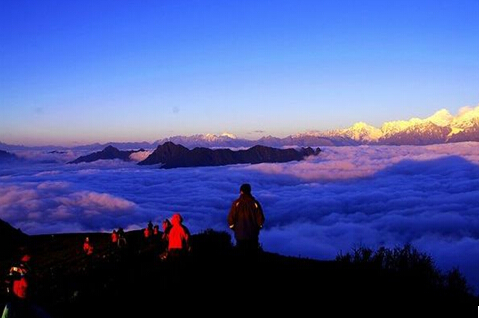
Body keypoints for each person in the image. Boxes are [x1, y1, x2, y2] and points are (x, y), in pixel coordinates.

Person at [227, 183, 265, 255]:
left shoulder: (236, 203)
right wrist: (258, 228)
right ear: (250, 191)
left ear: (241, 191)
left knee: (241, 255)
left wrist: (234, 228)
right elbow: (260, 218)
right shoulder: (255, 203)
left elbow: (231, 218)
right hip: (252, 235)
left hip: (240, 235)